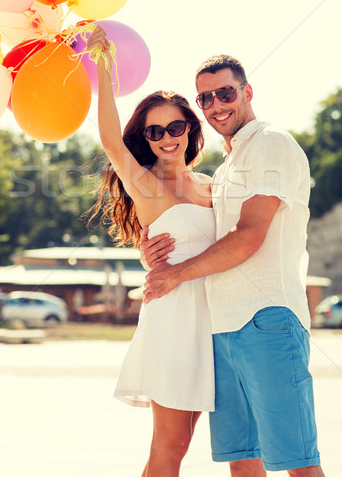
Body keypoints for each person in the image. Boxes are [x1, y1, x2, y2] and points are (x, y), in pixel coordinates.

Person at [142, 54, 325, 477]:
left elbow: (248, 235)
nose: (216, 105)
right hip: (221, 329)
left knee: (299, 463)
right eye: (205, 98)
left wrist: (173, 275)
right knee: (242, 462)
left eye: (225, 92)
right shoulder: (226, 168)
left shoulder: (271, 144)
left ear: (246, 92)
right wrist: (151, 250)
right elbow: (191, 227)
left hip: (267, 319)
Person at [86, 25, 217, 477]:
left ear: (190, 128)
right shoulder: (146, 183)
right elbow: (108, 138)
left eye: (175, 126)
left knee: (191, 443)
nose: (166, 137)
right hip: (175, 321)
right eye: (155, 130)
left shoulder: (214, 185)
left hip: (219, 321)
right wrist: (102, 65)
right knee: (172, 447)